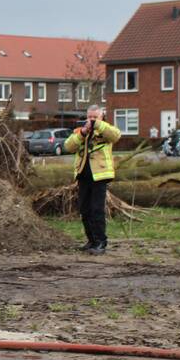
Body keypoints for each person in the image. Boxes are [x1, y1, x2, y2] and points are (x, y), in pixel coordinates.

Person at [64, 105, 121, 255]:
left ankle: (101, 242)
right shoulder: (81, 131)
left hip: (100, 175)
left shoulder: (106, 129)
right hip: (83, 175)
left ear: (102, 117)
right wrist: (82, 133)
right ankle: (91, 240)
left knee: (97, 210)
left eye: (95, 117)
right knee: (84, 209)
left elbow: (116, 136)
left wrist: (98, 125)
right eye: (90, 117)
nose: (92, 120)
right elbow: (68, 146)